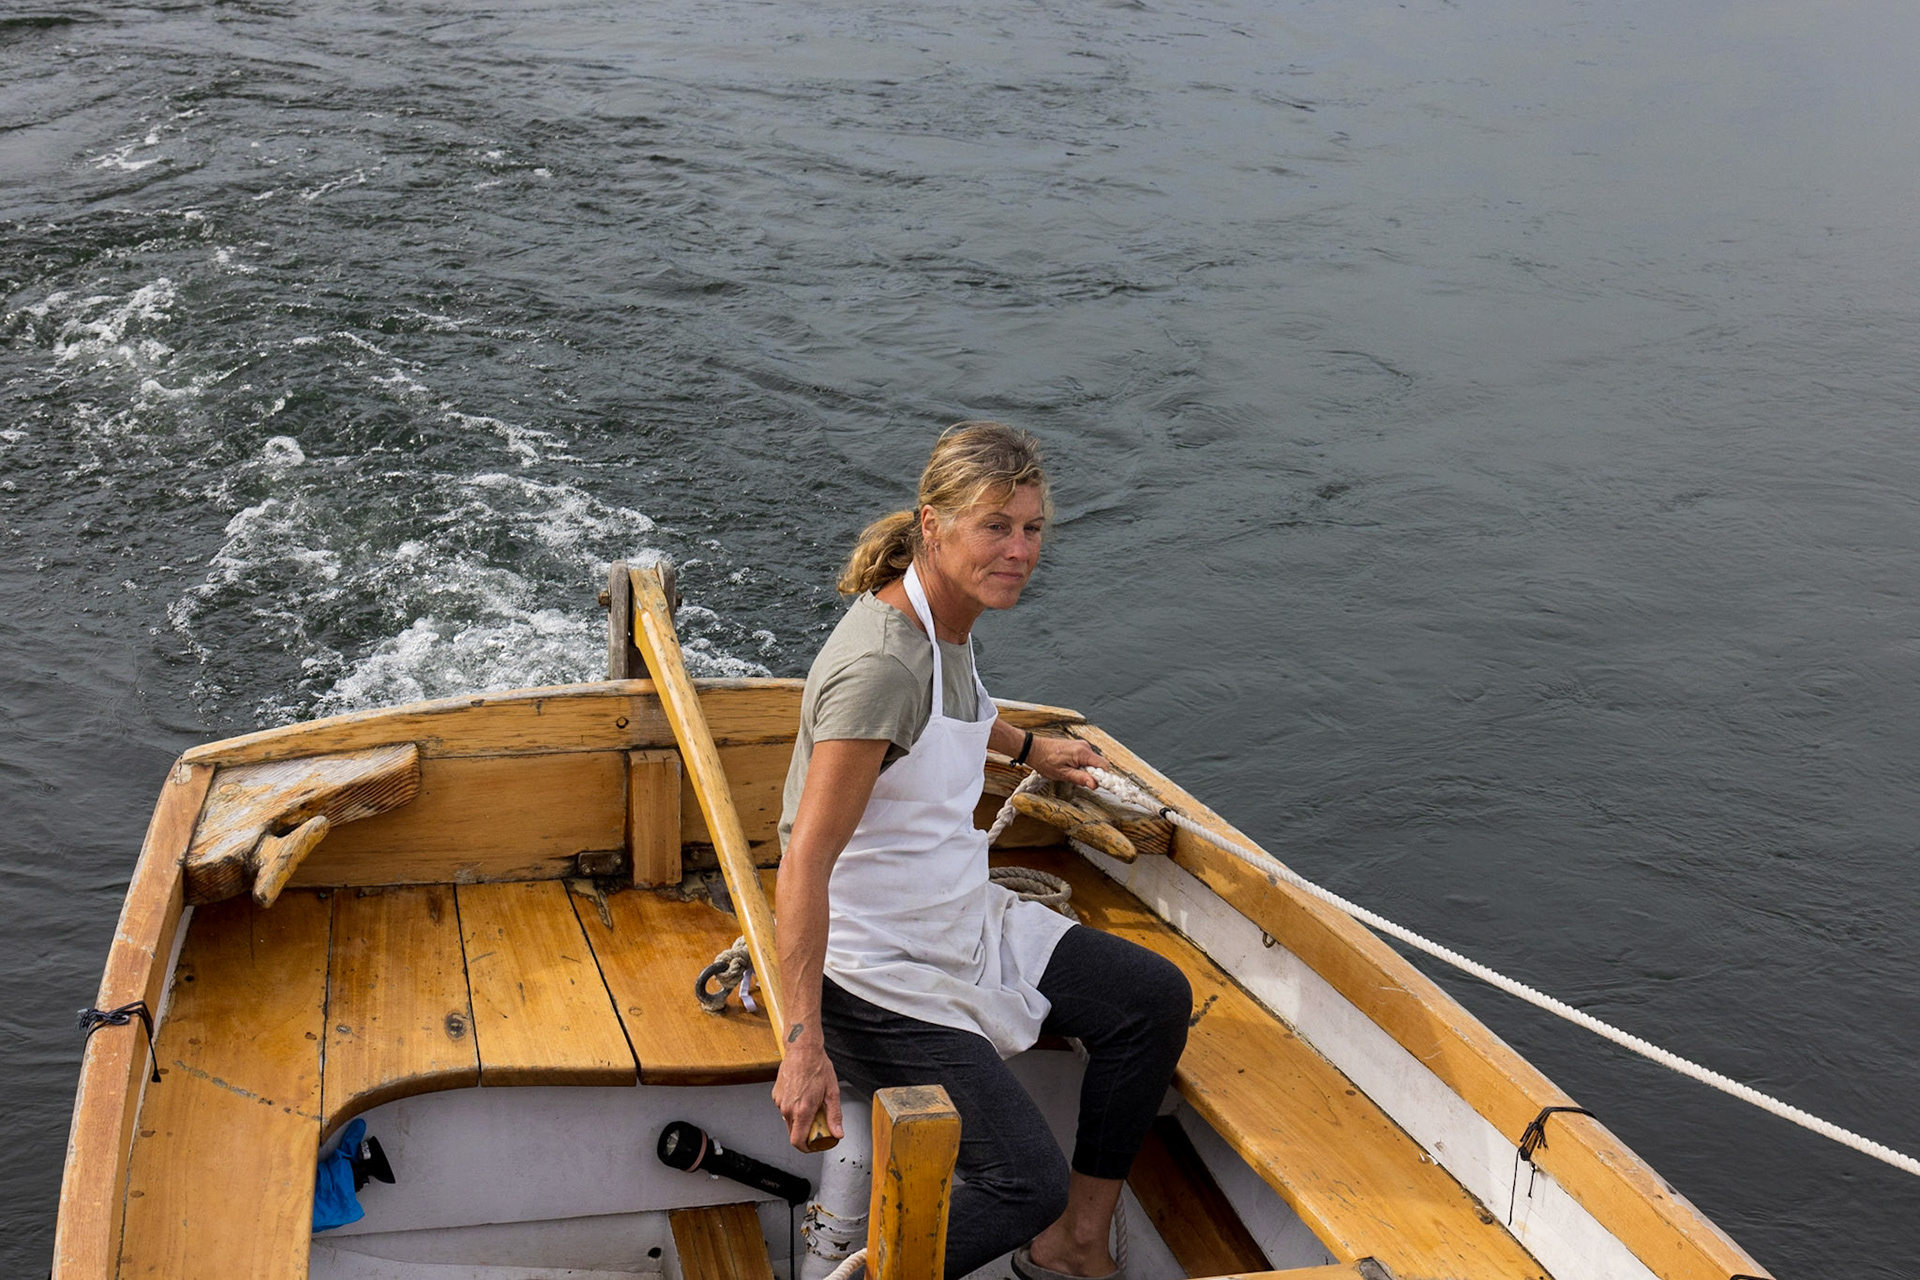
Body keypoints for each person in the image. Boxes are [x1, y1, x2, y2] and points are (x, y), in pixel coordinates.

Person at [772, 422, 1191, 1280]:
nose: (1019, 551)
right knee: (1022, 1182)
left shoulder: (949, 621)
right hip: (874, 969)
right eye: (995, 526)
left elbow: (954, 711)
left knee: (1151, 1001)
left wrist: (1029, 749)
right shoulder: (881, 666)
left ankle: (1076, 1244)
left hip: (956, 920)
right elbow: (804, 860)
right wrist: (802, 1043)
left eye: (1031, 528)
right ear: (933, 525)